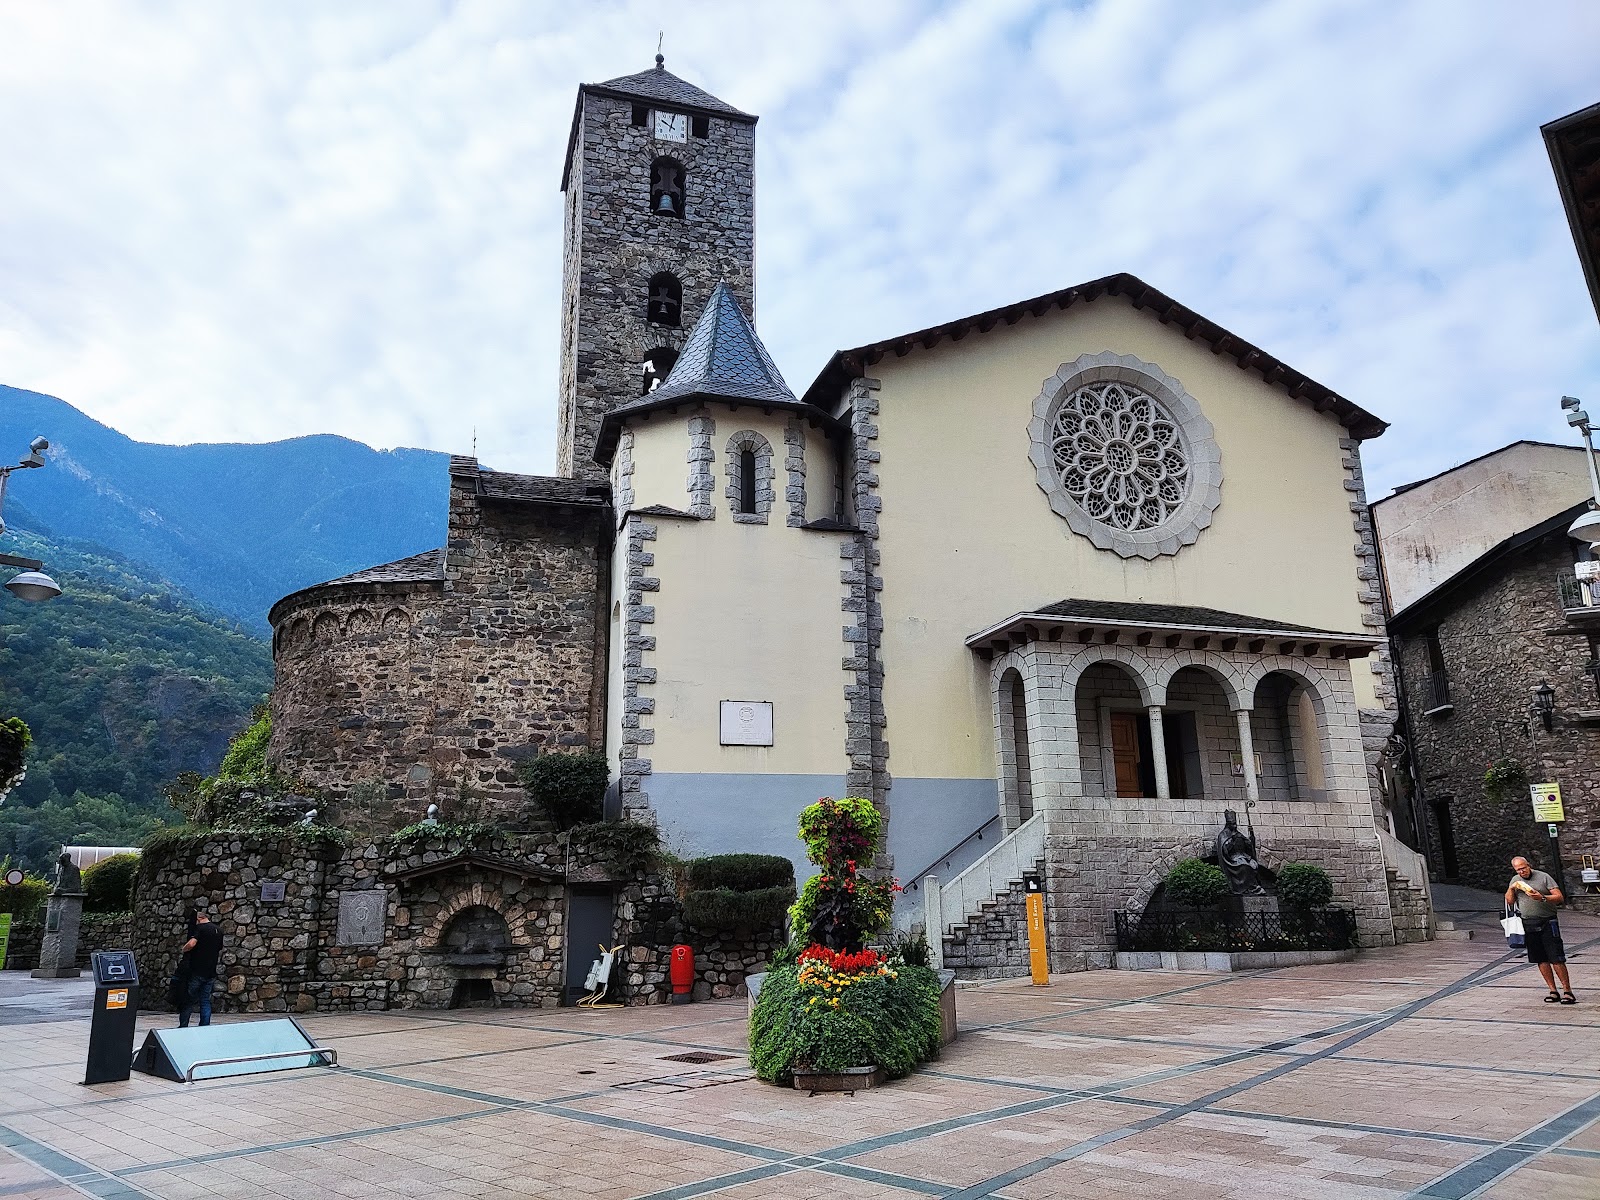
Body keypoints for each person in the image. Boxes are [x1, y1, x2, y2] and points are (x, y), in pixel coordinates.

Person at [1505, 856, 1575, 1005]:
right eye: (1518, 869)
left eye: (1523, 868)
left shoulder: (1543, 877)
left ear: (1529, 865)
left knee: (1556, 957)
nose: (1522, 871)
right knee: (1540, 959)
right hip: (1528, 923)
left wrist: (1542, 898)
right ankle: (1553, 990)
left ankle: (1567, 991)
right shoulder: (1515, 880)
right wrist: (1511, 889)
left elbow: (1559, 897)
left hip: (1548, 921)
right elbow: (1510, 901)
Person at [177, 903, 223, 1027]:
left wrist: (184, 949)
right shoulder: (219, 930)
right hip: (211, 971)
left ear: (199, 919)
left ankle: (183, 1026)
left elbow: (191, 944)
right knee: (205, 1000)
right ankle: (204, 1026)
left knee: (188, 1000)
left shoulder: (200, 929)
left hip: (197, 970)